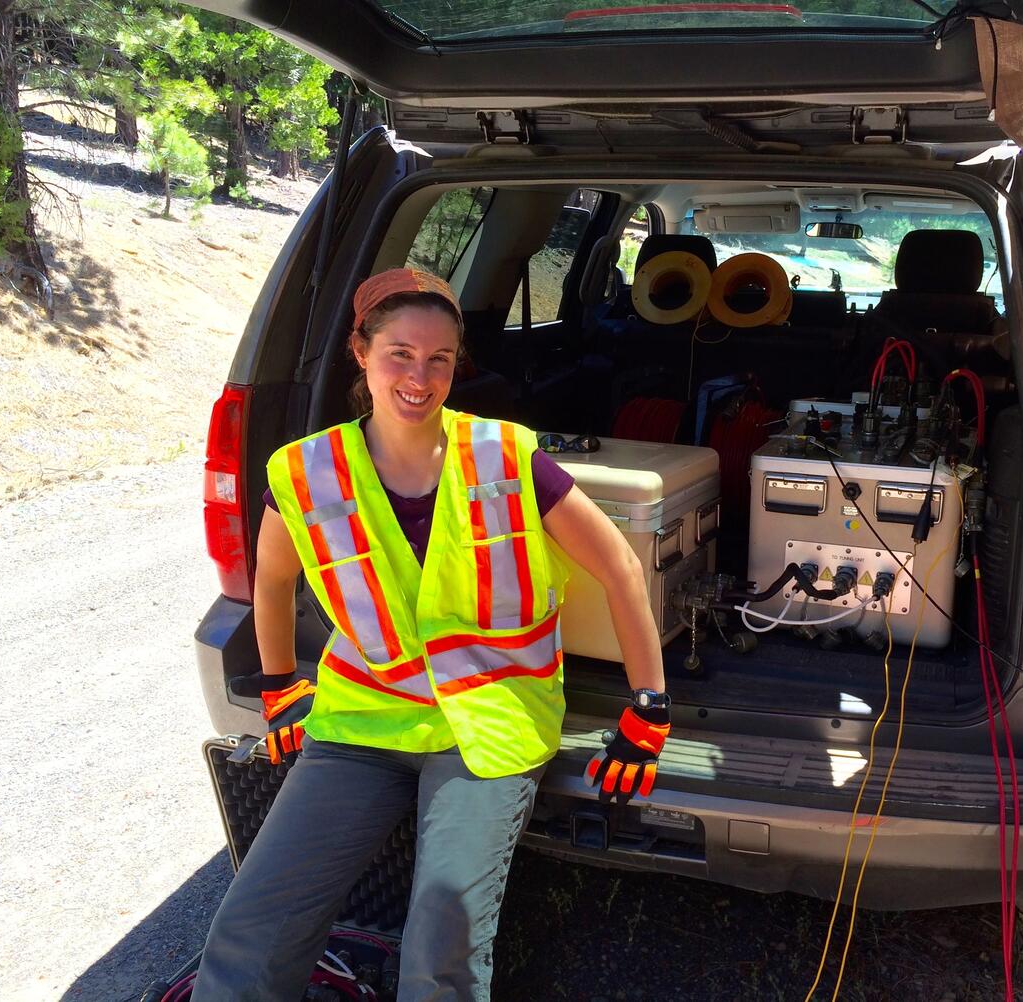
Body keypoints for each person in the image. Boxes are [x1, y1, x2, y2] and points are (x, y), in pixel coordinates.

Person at [192, 268, 672, 1001]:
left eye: (440, 359)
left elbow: (620, 567)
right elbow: (271, 576)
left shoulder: (506, 458)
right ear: (360, 351)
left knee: (437, 953)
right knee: (249, 934)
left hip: (487, 727)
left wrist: (648, 708)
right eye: (400, 354)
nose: (420, 377)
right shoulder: (306, 471)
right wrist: (282, 683)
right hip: (364, 721)